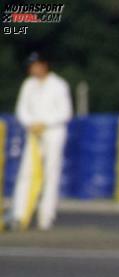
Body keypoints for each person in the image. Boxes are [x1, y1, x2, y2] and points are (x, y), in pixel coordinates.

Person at [4, 52, 72, 231]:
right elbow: (21, 109)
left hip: (53, 132)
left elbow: (66, 112)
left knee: (51, 174)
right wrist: (31, 123)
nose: (32, 69)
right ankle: (20, 214)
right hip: (33, 133)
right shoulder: (28, 85)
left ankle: (46, 216)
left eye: (35, 65)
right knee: (26, 172)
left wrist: (45, 123)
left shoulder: (58, 85)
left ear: (44, 65)